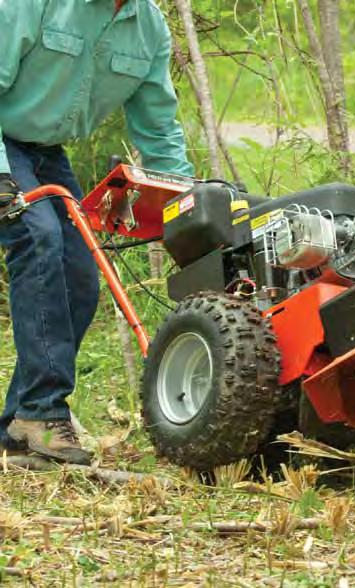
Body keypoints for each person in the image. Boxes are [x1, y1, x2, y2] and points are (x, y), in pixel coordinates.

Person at [0, 0, 194, 464]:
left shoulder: (148, 28)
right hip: (4, 146)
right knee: (39, 237)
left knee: (80, 276)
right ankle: (43, 412)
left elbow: (158, 127)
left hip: (45, 151)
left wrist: (190, 201)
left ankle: (19, 425)